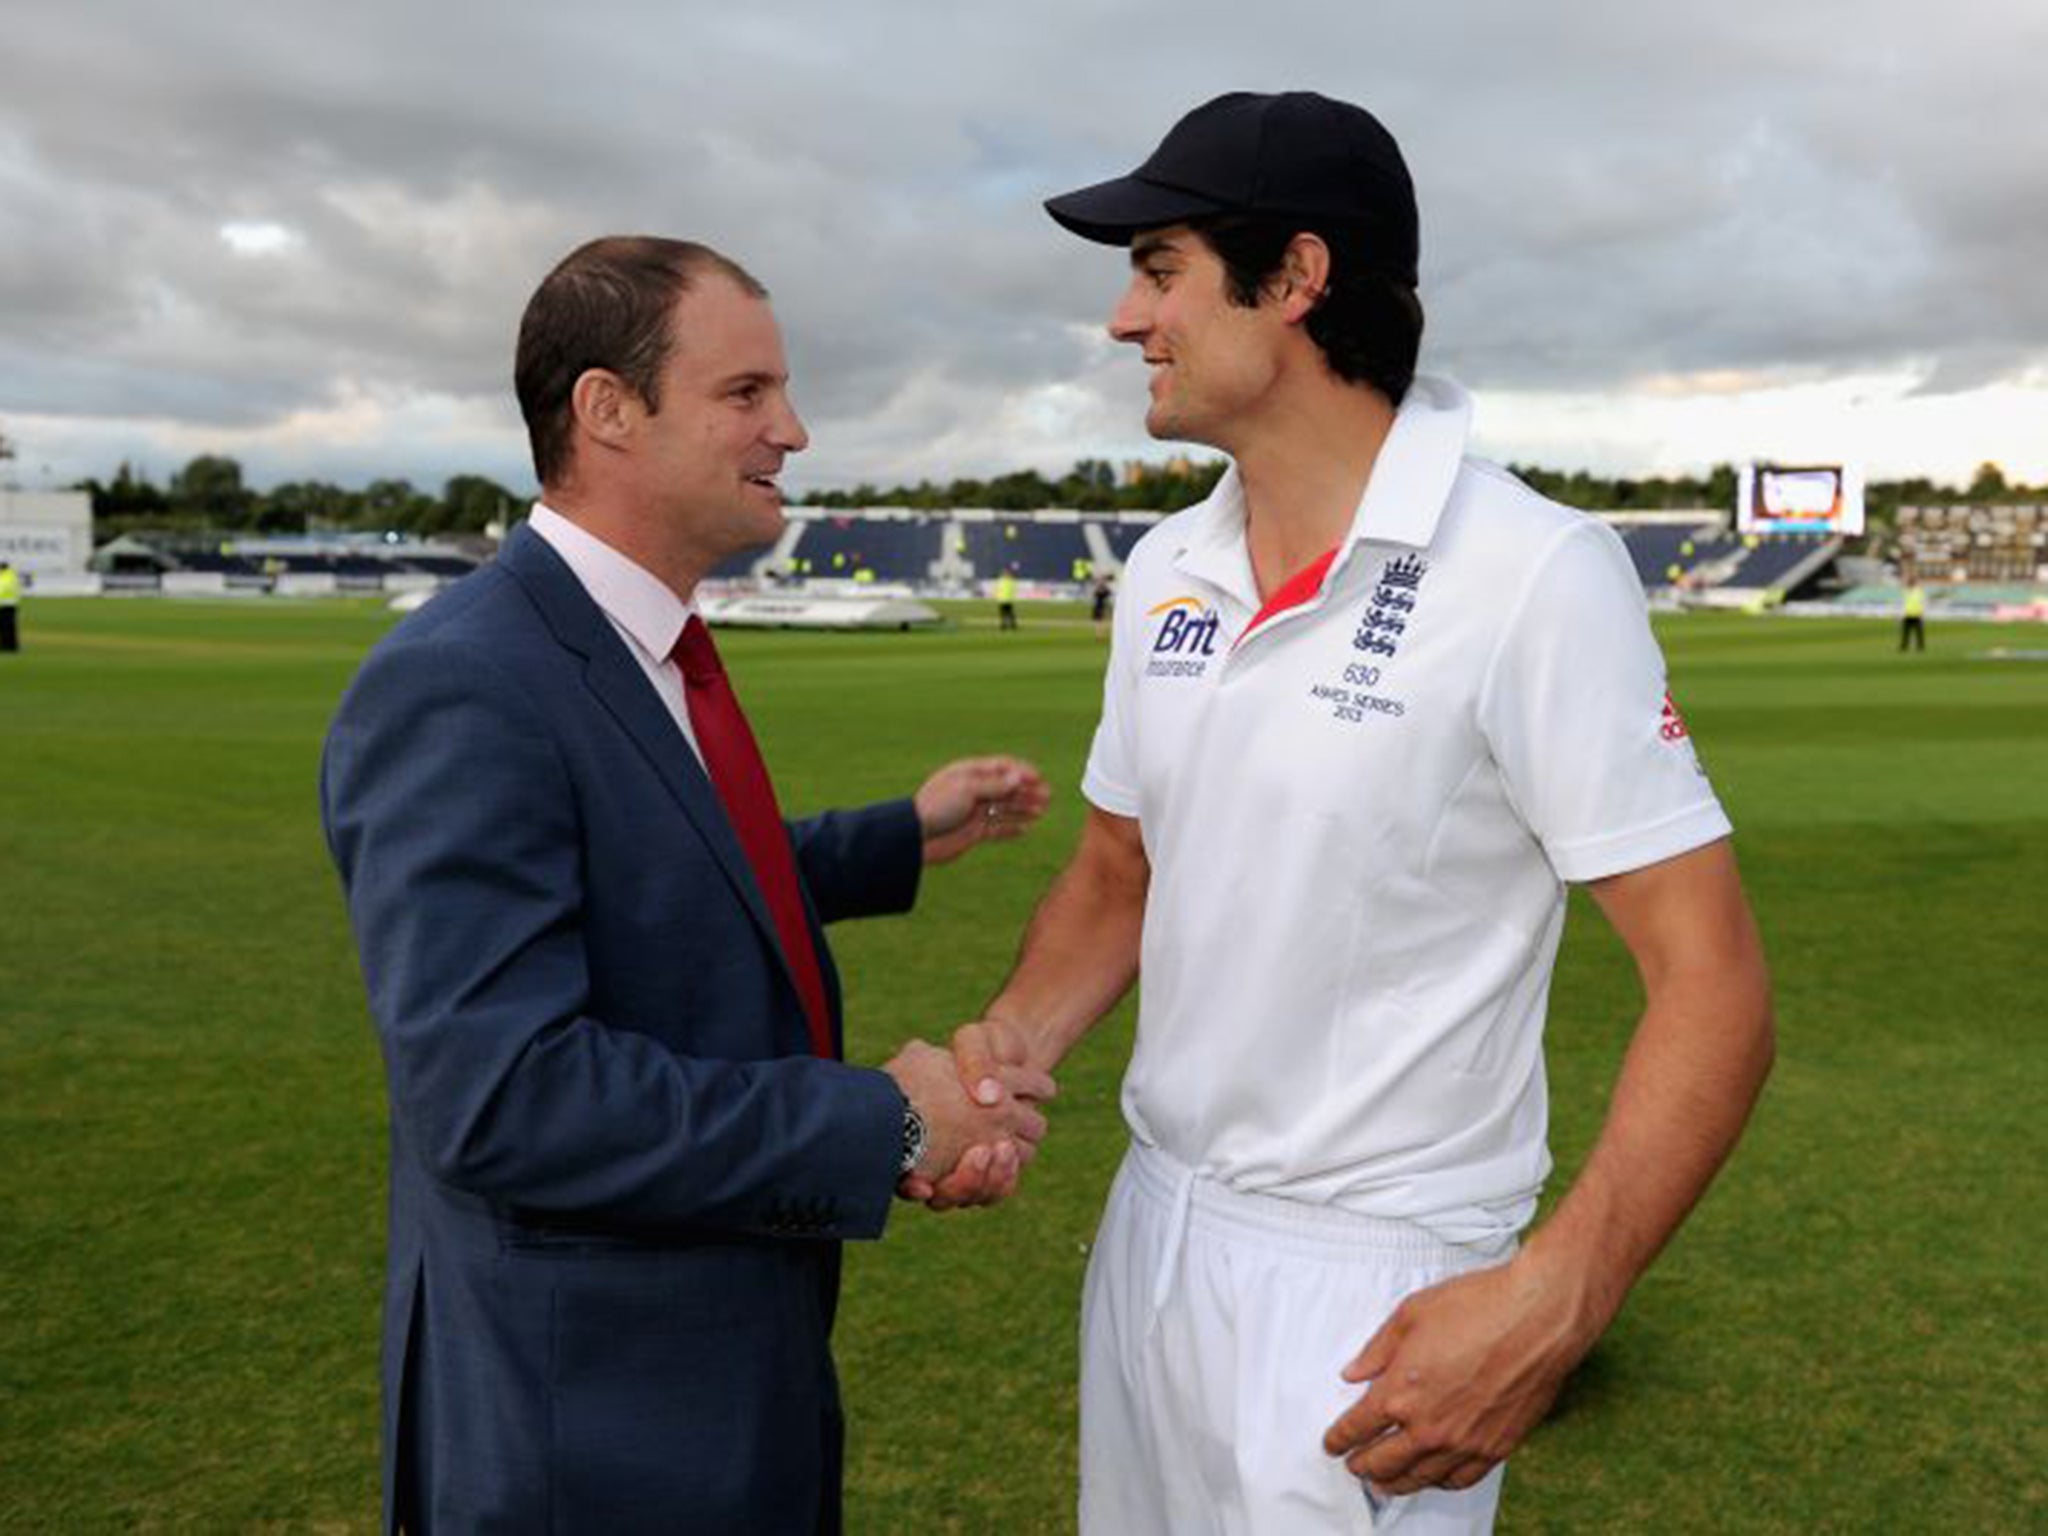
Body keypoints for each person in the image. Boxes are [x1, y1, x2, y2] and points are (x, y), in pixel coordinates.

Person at [942, 92, 1775, 1533]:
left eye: (1159, 269)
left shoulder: (1531, 571)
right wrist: (1009, 1056)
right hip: (1151, 1239)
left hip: (1372, 1288)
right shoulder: (1165, 572)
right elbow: (1119, 869)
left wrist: (1559, 1295)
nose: (1124, 320)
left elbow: (1713, 983)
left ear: (1299, 278)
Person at [321, 235, 1055, 1535]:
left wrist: (898, 834)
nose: (795, 429)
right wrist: (877, 1126)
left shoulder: (635, 641)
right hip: (587, 1431)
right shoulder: (467, 681)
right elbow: (502, 1095)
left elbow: (670, 870)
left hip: (711, 1377)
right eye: (747, 394)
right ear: (607, 410)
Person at [1899, 577, 1927, 651]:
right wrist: (1902, 614)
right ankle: (1904, 646)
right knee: (1906, 633)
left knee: (1919, 632)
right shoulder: (1906, 592)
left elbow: (1922, 603)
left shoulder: (1918, 592)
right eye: (1910, 583)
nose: (1910, 584)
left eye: (1911, 582)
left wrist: (1922, 614)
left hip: (1917, 614)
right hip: (1908, 614)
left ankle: (1920, 647)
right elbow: (1903, 604)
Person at [0, 560, 19, 652]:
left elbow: (3, 589)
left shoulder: (5, 577)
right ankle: (12, 645)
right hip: (11, 604)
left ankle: (6, 646)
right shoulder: (12, 576)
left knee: (5, 626)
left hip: (5, 604)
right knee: (10, 626)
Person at [1091, 571, 1116, 637]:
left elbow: (1096, 593)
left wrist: (1101, 581)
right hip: (1104, 605)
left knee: (1099, 621)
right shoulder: (1105, 590)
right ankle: (1100, 634)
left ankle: (1099, 634)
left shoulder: (1101, 591)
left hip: (1100, 606)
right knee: (1101, 621)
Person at [995, 566, 1020, 630]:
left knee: (1010, 613)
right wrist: (998, 596)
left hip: (1008, 599)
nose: (1006, 573)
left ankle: (1013, 625)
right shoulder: (1001, 580)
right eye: (1005, 572)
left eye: (1007, 572)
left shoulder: (1011, 580)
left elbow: (1014, 589)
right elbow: (998, 589)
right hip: (1002, 599)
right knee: (1003, 614)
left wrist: (1012, 596)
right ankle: (1003, 626)